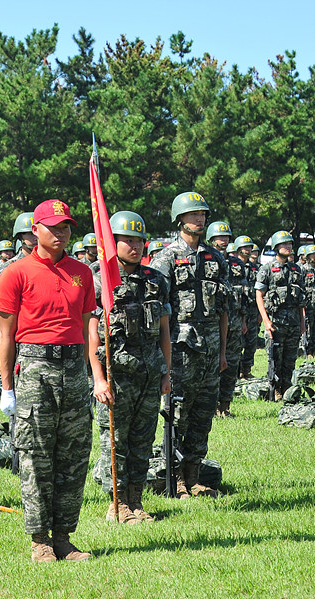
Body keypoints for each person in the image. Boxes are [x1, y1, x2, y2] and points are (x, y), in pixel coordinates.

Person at [0, 198, 95, 562]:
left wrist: (94, 374)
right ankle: (40, 539)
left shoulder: (81, 272)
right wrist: (7, 386)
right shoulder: (15, 273)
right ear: (34, 230)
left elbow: (88, 325)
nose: (61, 233)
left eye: (66, 227)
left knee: (73, 455)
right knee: (35, 455)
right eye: (53, 227)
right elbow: (6, 335)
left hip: (73, 367)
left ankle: (64, 536)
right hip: (35, 368)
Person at [88, 211, 171, 524]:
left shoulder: (155, 281)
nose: (134, 246)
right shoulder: (100, 278)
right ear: (113, 242)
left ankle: (135, 501)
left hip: (150, 373)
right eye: (127, 240)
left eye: (138, 240)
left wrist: (166, 373)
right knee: (115, 440)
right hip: (117, 376)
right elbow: (91, 333)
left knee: (142, 440)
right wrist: (98, 379)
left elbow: (164, 329)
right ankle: (117, 504)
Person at [150, 192, 229, 500]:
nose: (200, 218)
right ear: (180, 218)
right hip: (180, 351)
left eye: (203, 214)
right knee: (178, 413)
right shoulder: (166, 259)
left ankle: (193, 477)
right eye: (194, 214)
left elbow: (223, 309)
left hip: (210, 350)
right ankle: (175, 480)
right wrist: (163, 357)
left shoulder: (215, 257)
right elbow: (159, 312)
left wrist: (222, 351)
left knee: (203, 414)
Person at [255, 231, 305, 402]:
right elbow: (259, 296)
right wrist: (266, 322)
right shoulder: (267, 269)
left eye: (290, 244)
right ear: (276, 247)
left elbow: (301, 301)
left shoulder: (296, 269)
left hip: (293, 324)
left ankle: (287, 390)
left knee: (290, 360)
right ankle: (274, 391)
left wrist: (302, 323)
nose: (288, 247)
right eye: (284, 244)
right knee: (275, 359)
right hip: (276, 323)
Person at [206, 222, 244, 418]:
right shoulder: (206, 260)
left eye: (227, 237)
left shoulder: (236, 264)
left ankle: (225, 405)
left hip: (234, 322)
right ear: (211, 239)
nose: (224, 240)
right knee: (211, 368)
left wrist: (244, 321)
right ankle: (211, 407)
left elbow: (243, 295)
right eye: (220, 237)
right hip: (212, 323)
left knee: (231, 364)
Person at [234, 235, 260, 378]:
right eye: (245, 247)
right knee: (237, 343)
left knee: (251, 342)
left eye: (250, 247)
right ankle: (236, 372)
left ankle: (246, 370)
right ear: (238, 249)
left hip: (252, 310)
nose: (248, 250)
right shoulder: (233, 266)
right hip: (237, 311)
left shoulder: (256, 268)